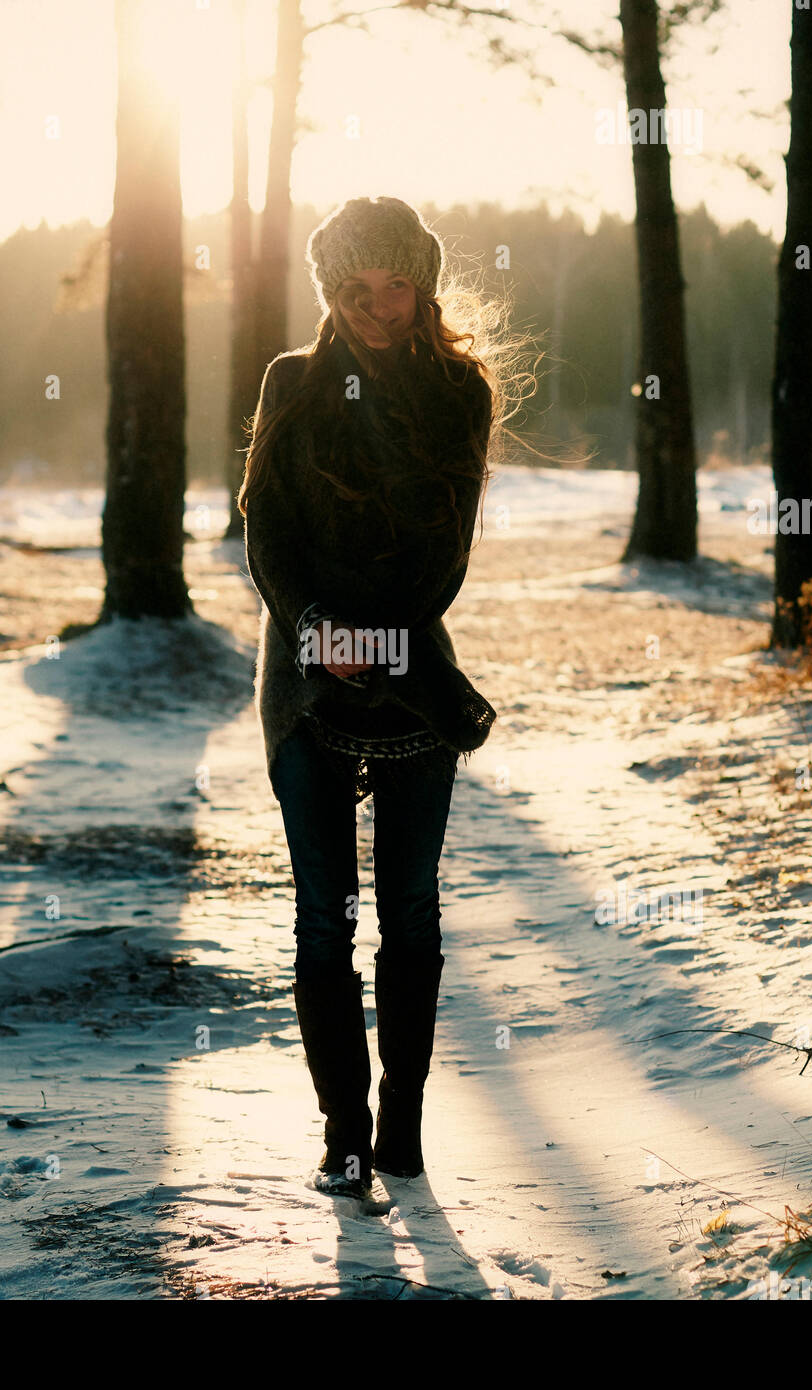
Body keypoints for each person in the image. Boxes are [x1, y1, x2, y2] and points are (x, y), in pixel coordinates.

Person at [238, 195, 501, 1199]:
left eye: (397, 283)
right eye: (357, 286)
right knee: (320, 915)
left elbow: (444, 560)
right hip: (303, 676)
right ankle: (342, 1134)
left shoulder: (458, 393)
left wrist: (375, 638)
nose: (379, 304)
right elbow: (267, 536)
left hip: (409, 670)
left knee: (413, 912)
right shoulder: (291, 382)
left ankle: (403, 1128)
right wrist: (316, 630)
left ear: (422, 282)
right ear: (329, 289)